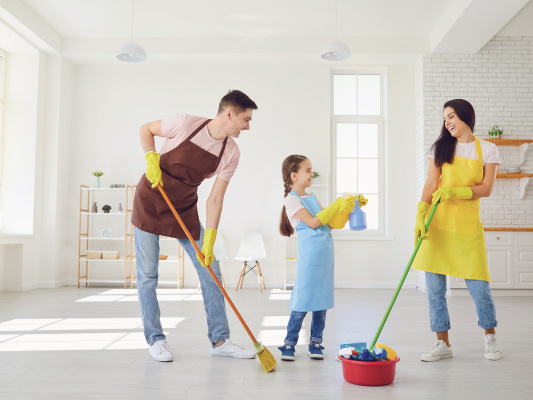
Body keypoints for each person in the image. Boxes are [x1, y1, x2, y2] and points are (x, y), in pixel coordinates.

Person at [131, 90, 258, 362]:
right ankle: (155, 340)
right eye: (246, 119)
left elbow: (215, 198)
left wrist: (210, 236)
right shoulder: (185, 123)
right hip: (151, 198)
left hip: (184, 205)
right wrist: (151, 158)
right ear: (229, 113)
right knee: (147, 275)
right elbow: (146, 129)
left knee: (211, 269)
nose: (248, 126)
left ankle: (220, 340)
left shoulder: (231, 152)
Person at [413, 99, 502, 362]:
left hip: (466, 228)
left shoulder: (487, 149)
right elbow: (431, 184)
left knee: (479, 288)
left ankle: (490, 338)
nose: (447, 122)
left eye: (451, 116)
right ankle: (443, 344)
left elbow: (486, 188)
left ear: (465, 116)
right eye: (444, 119)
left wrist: (456, 191)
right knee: (435, 290)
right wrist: (420, 215)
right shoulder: (440, 147)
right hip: (437, 225)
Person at [277, 155, 366, 361]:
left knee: (321, 300)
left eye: (311, 170)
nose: (311, 174)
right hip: (309, 255)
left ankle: (316, 342)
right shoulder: (291, 200)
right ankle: (289, 344)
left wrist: (348, 208)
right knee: (302, 299)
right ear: (294, 175)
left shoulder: (314, 197)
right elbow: (314, 222)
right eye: (307, 170)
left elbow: (330, 223)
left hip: (325, 253)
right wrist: (337, 204)